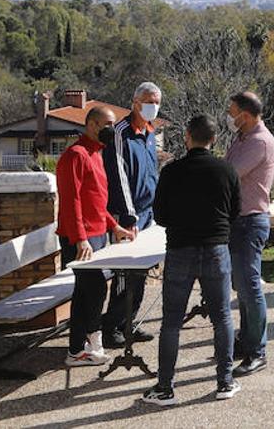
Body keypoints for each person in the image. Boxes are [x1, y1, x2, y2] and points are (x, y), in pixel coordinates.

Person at [143, 115, 241, 406]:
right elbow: (235, 211)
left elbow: (159, 214)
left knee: (171, 321)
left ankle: (165, 387)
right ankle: (225, 381)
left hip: (180, 249)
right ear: (213, 139)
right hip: (215, 249)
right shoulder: (226, 170)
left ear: (187, 137)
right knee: (222, 317)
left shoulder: (172, 172)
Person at [57, 105, 135, 368]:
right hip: (81, 240)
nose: (111, 130)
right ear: (91, 124)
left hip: (98, 236)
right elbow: (71, 202)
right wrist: (80, 238)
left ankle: (77, 350)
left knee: (84, 293)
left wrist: (114, 226)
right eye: (107, 124)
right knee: (96, 288)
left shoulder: (97, 154)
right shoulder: (75, 155)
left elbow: (96, 202)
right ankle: (93, 343)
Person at [101, 81, 164, 347]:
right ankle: (112, 327)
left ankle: (130, 323)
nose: (153, 106)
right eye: (149, 101)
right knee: (124, 275)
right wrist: (128, 217)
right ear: (135, 102)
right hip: (127, 217)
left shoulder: (149, 134)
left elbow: (152, 174)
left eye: (157, 102)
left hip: (148, 215)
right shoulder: (120, 133)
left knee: (140, 274)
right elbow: (118, 175)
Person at [223, 91, 274, 377]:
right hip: (238, 222)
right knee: (242, 288)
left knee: (250, 288)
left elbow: (230, 173)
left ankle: (258, 351)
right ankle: (246, 342)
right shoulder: (242, 138)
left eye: (232, 112)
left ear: (245, 114)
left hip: (249, 222)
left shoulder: (259, 142)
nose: (230, 117)